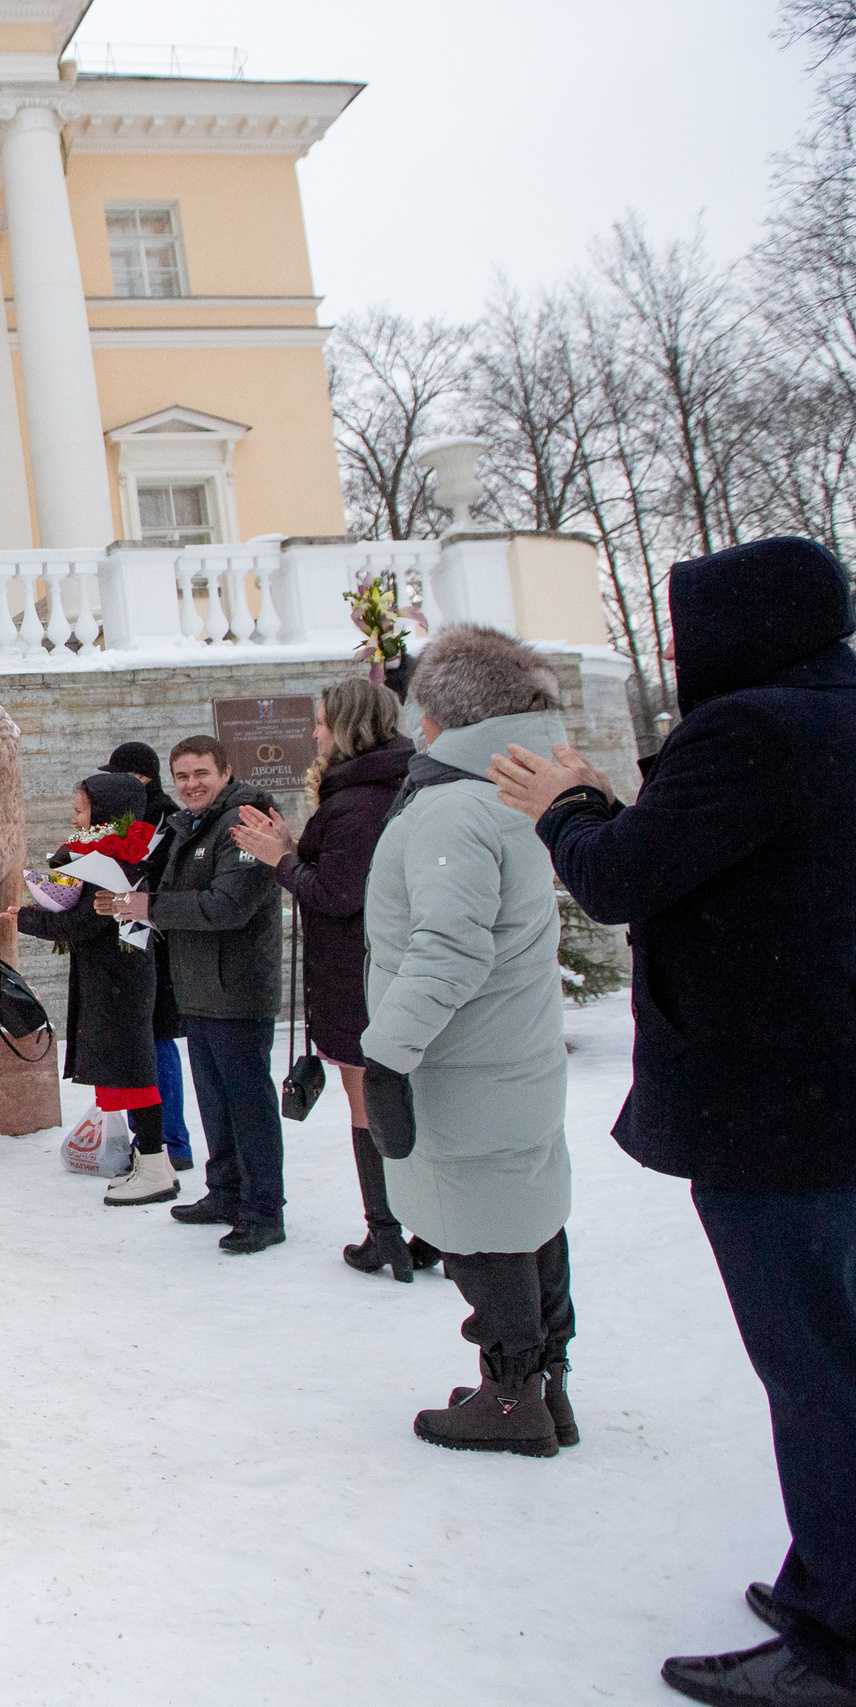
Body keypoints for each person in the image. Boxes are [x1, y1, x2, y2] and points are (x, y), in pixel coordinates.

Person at [492, 537, 856, 1706]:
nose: (677, 647)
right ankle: (832, 1578)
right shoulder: (831, 712)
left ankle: (835, 1639)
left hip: (777, 1107)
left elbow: (619, 876)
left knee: (815, 1373)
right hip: (826, 1093)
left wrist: (570, 805)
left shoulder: (750, 730)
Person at [355, 625, 576, 1458]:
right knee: (525, 1215)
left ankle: (512, 1397)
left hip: (466, 1061)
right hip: (510, 1055)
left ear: (446, 715)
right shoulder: (512, 792)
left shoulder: (455, 807)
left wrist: (389, 1050)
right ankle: (544, 1384)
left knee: (485, 1227)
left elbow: (447, 949)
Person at [228, 680, 432, 1281]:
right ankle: (423, 1226)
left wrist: (280, 862)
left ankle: (388, 1232)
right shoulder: (387, 786)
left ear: (346, 727)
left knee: (369, 1100)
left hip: (358, 974)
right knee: (396, 1098)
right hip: (374, 967)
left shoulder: (359, 801)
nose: (314, 732)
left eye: (320, 722)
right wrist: (291, 847)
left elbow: (340, 893)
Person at [98, 737, 284, 1251]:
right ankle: (224, 1191)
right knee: (215, 1103)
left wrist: (147, 906)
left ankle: (265, 1209)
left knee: (249, 1105)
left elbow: (229, 905)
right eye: (181, 776)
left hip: (238, 990)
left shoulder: (248, 820)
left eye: (201, 773)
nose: (190, 785)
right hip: (199, 989)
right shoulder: (194, 824)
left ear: (225, 772)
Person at [19, 773, 170, 1203]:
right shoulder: (102, 854)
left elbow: (83, 924)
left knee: (135, 1071)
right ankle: (149, 1161)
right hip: (111, 980)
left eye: (82, 808)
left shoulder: (118, 860)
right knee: (126, 1068)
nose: (75, 815)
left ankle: (156, 1166)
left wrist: (25, 918)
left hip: (121, 982)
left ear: (106, 813)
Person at [107, 739, 194, 1173]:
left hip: (153, 942)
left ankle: (169, 1142)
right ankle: (154, 1139)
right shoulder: (134, 817)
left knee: (156, 1041)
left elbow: (147, 874)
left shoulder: (157, 818)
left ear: (141, 777)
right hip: (139, 936)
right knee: (147, 1043)